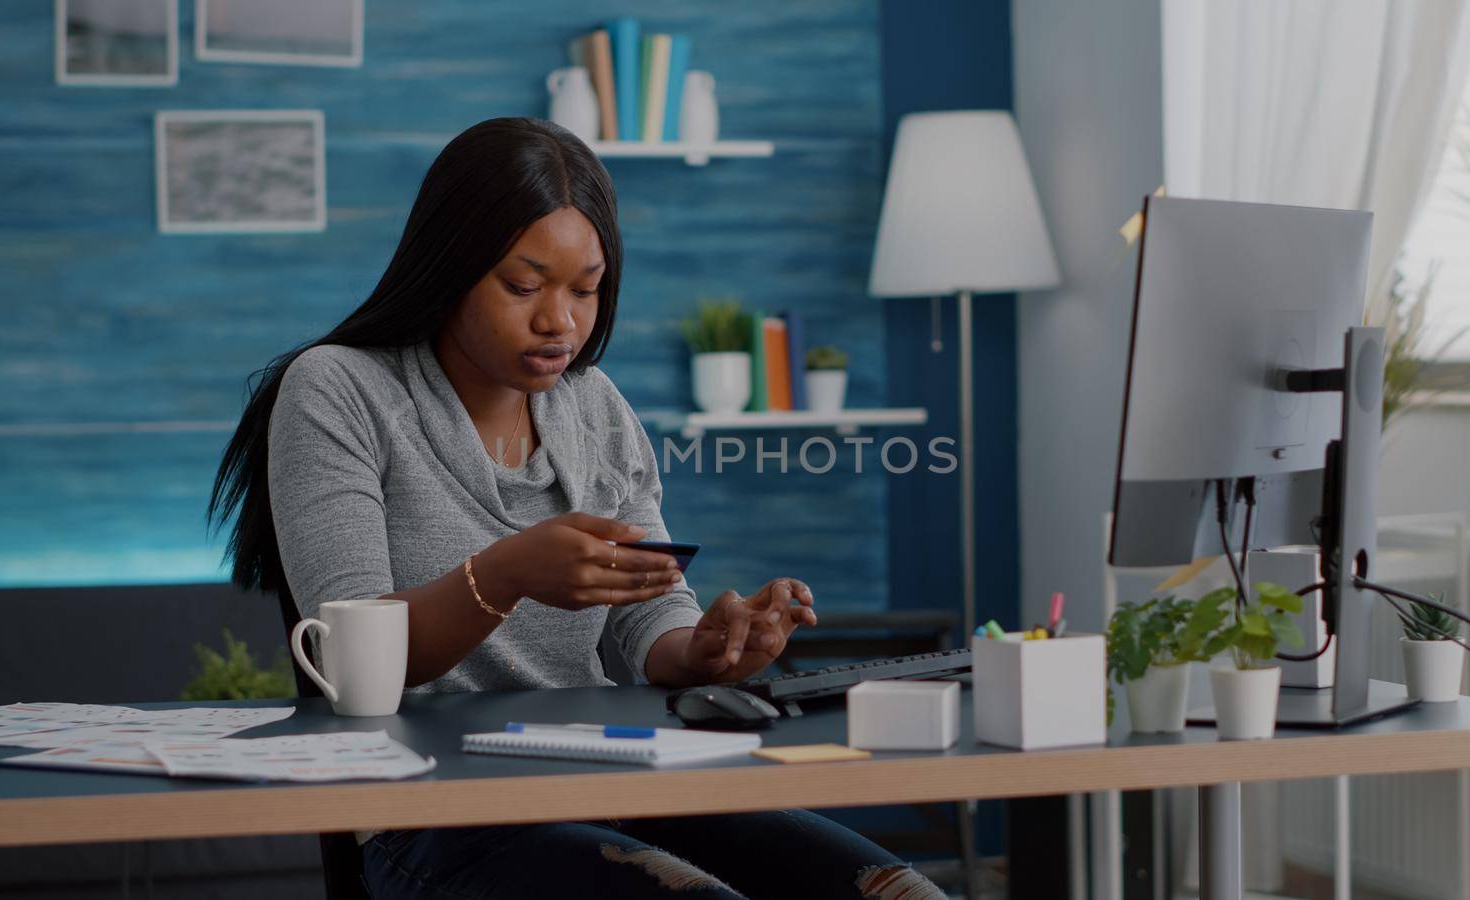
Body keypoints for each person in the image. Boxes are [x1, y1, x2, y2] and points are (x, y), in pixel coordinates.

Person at [210, 116, 944, 900]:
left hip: (610, 775)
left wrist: (705, 648)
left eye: (586, 289)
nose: (560, 320)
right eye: (524, 287)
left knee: (896, 892)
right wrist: (507, 574)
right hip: (427, 816)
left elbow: (645, 614)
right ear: (449, 266)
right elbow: (355, 667)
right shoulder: (338, 390)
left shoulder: (593, 406)